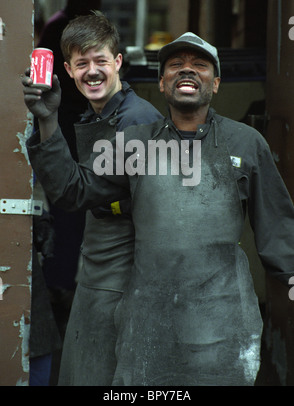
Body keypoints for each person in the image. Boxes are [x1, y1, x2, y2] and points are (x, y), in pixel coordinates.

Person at [23, 32, 294, 386]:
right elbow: (73, 190)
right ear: (161, 84)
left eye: (200, 65)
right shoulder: (133, 144)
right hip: (148, 323)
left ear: (216, 83)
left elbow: (278, 230)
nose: (187, 71)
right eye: (175, 66)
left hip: (222, 321)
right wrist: (47, 119)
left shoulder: (246, 143)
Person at [25, 11, 162, 385]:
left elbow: (76, 191)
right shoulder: (100, 113)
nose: (93, 71)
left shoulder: (135, 121)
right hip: (100, 265)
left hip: (125, 272)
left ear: (118, 62)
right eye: (81, 63)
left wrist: (47, 119)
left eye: (101, 60)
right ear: (68, 70)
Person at [36, 0, 105, 314]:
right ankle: (57, 286)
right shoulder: (62, 28)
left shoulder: (64, 26)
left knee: (72, 211)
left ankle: (59, 284)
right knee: (68, 211)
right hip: (62, 125)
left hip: (75, 127)